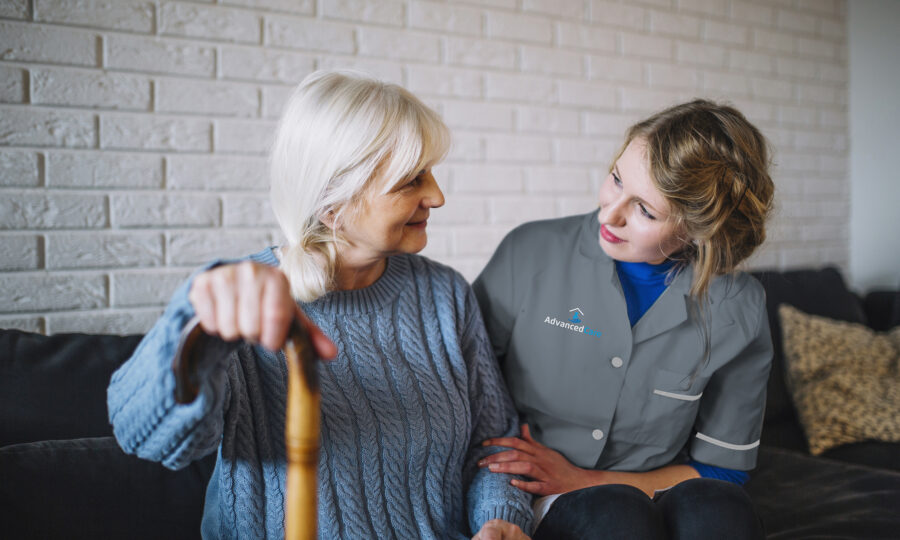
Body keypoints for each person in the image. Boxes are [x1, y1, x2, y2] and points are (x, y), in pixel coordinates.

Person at [107, 70, 533, 540]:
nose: (437, 196)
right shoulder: (251, 303)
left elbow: (493, 447)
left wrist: (499, 519)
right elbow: (144, 439)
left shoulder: (445, 295)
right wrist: (197, 327)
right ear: (333, 204)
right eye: (412, 180)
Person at [473, 99, 775, 539]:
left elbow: (722, 469)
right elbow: (463, 397)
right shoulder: (529, 252)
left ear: (696, 229)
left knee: (720, 508)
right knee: (616, 516)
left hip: (658, 487)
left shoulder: (738, 306)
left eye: (645, 210)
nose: (609, 213)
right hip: (543, 496)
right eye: (616, 179)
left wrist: (587, 480)